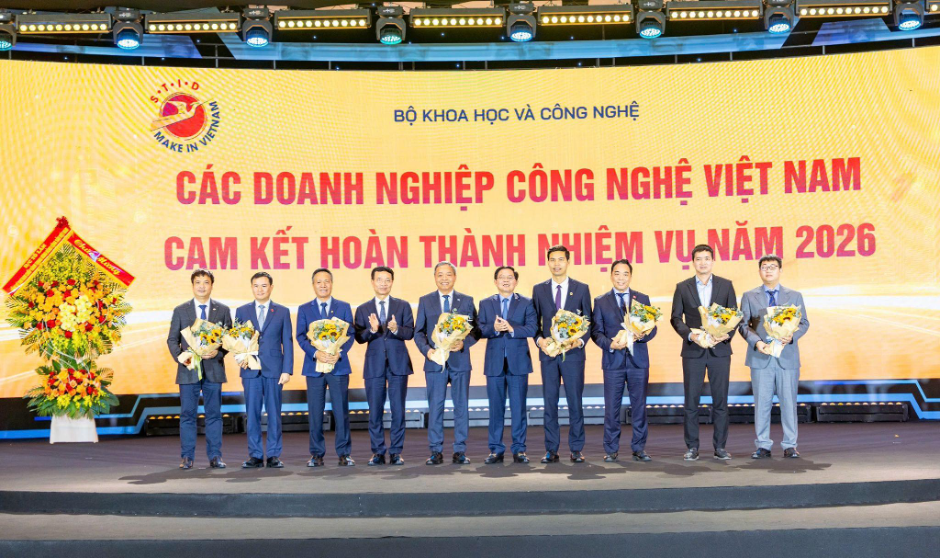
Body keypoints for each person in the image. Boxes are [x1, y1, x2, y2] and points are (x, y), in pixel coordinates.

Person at [670, 244, 737, 461]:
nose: (703, 262)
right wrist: (691, 335)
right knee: (691, 401)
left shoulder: (726, 285)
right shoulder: (683, 287)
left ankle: (720, 447)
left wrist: (725, 335)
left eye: (707, 258)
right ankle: (692, 447)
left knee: (720, 401)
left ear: (713, 261)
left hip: (720, 350)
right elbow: (675, 318)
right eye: (698, 259)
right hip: (693, 351)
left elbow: (734, 315)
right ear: (693, 262)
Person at [739, 255, 810, 459]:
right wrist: (757, 342)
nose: (768, 270)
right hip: (761, 357)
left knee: (789, 403)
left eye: (772, 267)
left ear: (780, 270)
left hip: (787, 357)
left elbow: (804, 322)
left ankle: (790, 445)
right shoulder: (749, 296)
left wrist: (792, 336)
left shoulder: (794, 296)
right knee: (762, 403)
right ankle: (763, 445)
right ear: (759, 271)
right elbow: (743, 325)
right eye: (764, 267)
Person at [590, 259, 656, 462]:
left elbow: (652, 328)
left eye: (625, 274)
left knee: (639, 407)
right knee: (611, 408)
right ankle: (611, 450)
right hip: (613, 362)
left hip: (638, 362)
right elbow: (596, 332)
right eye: (617, 273)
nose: (621, 278)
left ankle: (639, 448)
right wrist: (610, 344)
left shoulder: (642, 299)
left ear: (630, 276)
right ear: (611, 276)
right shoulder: (601, 301)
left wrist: (642, 335)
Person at [414, 261, 479, 465]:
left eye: (448, 274)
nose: (444, 278)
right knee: (436, 407)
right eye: (440, 274)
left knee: (461, 407)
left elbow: (476, 330)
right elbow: (418, 332)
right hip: (435, 362)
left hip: (460, 362)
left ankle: (460, 450)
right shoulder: (425, 301)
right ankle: (436, 450)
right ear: (435, 277)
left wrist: (463, 343)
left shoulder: (466, 300)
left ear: (455, 277)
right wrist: (428, 351)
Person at [532, 245, 592, 464]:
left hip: (573, 355)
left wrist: (579, 341)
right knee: (550, 402)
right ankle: (551, 449)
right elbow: (534, 322)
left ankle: (576, 449)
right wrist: (540, 341)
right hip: (548, 354)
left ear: (568, 261)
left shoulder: (582, 289)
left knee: (575, 402)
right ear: (547, 262)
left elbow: (589, 321)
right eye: (552, 260)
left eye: (560, 259)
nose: (556, 264)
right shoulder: (539, 290)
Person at [166, 268, 231, 470]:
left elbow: (229, 340)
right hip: (188, 370)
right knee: (187, 414)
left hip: (213, 369)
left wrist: (218, 352)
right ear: (192, 285)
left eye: (206, 282)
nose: (202, 286)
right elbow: (172, 339)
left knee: (214, 414)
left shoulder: (222, 310)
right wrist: (182, 357)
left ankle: (216, 456)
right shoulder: (180, 310)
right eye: (198, 282)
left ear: (212, 285)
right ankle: (187, 457)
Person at [353, 266, 414, 466]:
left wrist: (396, 329)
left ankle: (396, 451)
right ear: (372, 282)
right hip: (374, 364)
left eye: (387, 280)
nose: (383, 283)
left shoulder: (403, 306)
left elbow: (410, 333)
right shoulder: (363, 309)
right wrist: (371, 330)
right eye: (379, 279)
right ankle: (378, 451)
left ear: (392, 282)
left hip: (398, 364)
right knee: (375, 411)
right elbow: (359, 337)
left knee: (398, 410)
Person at [478, 266, 538, 464]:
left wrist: (512, 328)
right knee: (496, 409)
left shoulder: (527, 303)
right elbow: (479, 329)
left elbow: (532, 328)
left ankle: (519, 449)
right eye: (501, 277)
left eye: (509, 277)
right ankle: (496, 449)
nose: (505, 280)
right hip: (494, 363)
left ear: (516, 281)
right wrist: (494, 328)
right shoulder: (486, 303)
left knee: (518, 408)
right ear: (495, 281)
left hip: (518, 363)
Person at [296, 268, 356, 467]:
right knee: (315, 412)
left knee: (341, 411)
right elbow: (300, 337)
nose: (323, 285)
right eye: (319, 282)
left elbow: (350, 334)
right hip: (314, 367)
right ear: (313, 285)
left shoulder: (343, 307)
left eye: (326, 281)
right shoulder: (305, 309)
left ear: (332, 283)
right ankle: (316, 454)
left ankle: (344, 453)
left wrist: (339, 353)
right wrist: (316, 353)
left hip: (338, 366)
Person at [235, 272, 294, 469]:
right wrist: (240, 358)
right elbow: (236, 340)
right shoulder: (242, 311)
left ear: (271, 287)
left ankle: (274, 454)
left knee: (274, 413)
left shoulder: (282, 311)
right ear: (251, 287)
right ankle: (255, 455)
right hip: (250, 370)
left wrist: (287, 370)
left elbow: (287, 342)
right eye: (256, 286)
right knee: (252, 414)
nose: (260, 289)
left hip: (274, 370)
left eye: (264, 285)